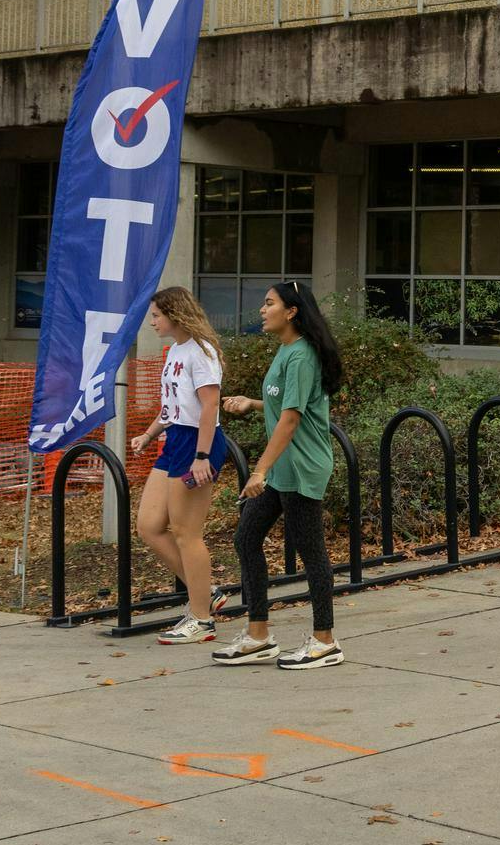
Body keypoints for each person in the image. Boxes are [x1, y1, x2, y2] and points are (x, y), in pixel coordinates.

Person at [212, 280, 347, 671]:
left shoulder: (302, 356)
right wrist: (254, 403)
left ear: (291, 311)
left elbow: (291, 419)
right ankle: (258, 635)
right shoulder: (287, 350)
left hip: (300, 468)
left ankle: (326, 642)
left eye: (269, 303)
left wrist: (259, 470)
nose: (261, 309)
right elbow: (285, 401)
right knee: (246, 538)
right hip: (283, 467)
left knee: (311, 554)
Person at [128, 286, 231, 645]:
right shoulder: (175, 350)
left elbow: (209, 406)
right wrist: (149, 432)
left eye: (156, 315)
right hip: (175, 441)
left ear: (175, 313)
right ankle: (207, 591)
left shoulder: (201, 352)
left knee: (187, 533)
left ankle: (201, 619)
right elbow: (175, 406)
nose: (152, 321)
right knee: (149, 525)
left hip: (196, 444)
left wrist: (202, 457)